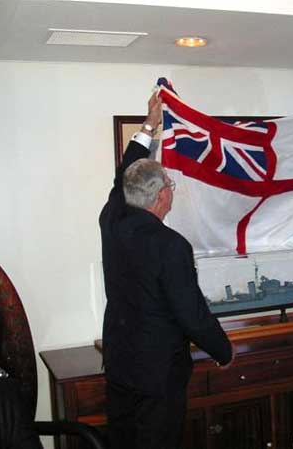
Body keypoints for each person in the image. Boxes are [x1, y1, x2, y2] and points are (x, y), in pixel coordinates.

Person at [99, 91, 234, 449]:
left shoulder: (112, 220)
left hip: (120, 367)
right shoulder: (171, 245)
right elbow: (192, 315)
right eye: (170, 186)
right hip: (158, 377)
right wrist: (224, 352)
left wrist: (148, 126)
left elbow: (120, 180)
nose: (171, 192)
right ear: (161, 198)